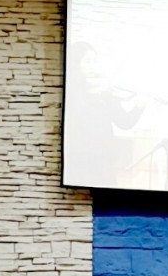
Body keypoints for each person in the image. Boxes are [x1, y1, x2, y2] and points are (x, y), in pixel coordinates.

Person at [63, 41, 148, 188]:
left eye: (95, 61)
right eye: (88, 61)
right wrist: (97, 93)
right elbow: (79, 115)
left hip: (102, 161)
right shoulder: (70, 90)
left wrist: (139, 105)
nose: (92, 66)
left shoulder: (104, 92)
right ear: (75, 64)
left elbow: (124, 122)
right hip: (78, 162)